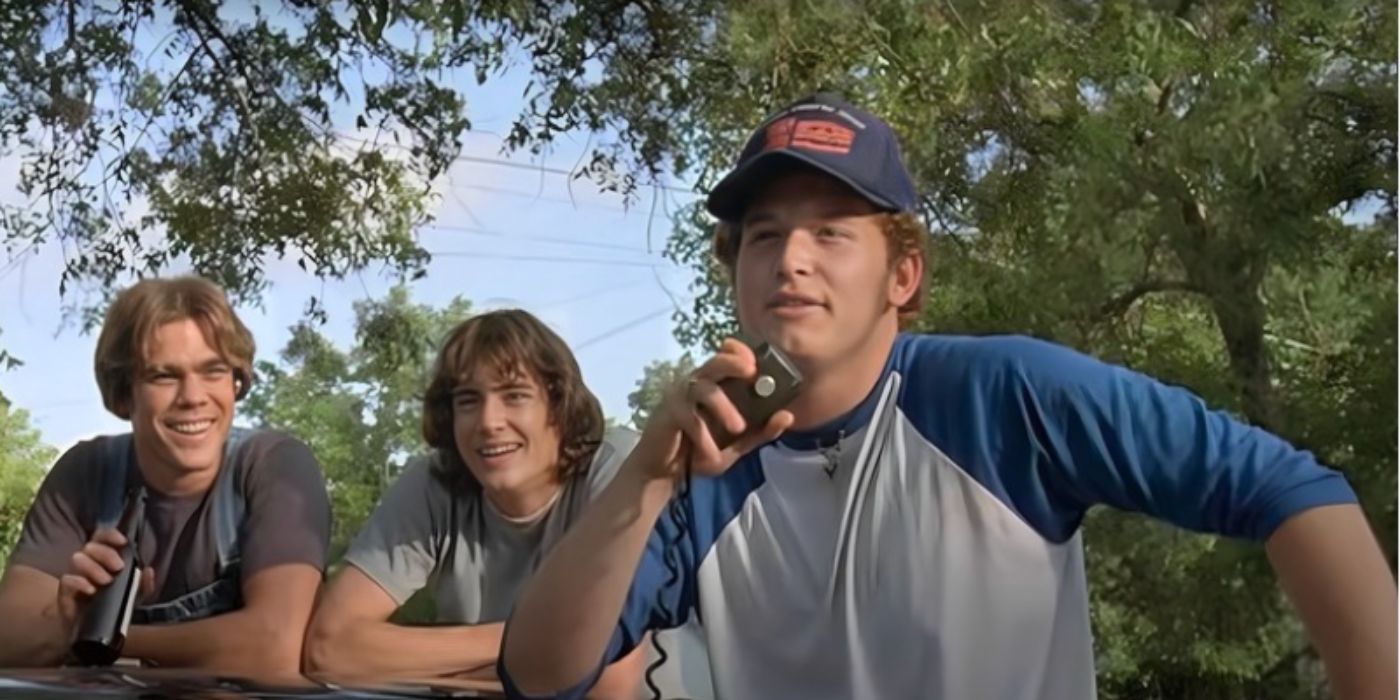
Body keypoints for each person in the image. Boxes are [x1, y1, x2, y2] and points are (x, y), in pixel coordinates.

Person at [498, 93, 1398, 699]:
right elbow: (540, 675)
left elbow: (1293, 493)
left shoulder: (1006, 396)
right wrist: (647, 478)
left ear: (904, 275)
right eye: (763, 236)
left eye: (832, 233)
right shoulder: (695, 465)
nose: (791, 259)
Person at [303, 309, 646, 697]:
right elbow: (329, 648)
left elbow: (609, 681)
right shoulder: (433, 483)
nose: (488, 421)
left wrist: (434, 662)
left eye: (515, 395)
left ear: (560, 406)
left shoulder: (615, 469)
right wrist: (534, 642)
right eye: (468, 401)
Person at [0, 276, 332, 675]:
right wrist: (65, 616)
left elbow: (274, 649)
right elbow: (9, 636)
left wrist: (98, 634)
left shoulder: (274, 465)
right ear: (124, 395)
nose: (193, 397)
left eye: (213, 372)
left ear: (236, 382)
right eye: (164, 376)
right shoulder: (85, 472)